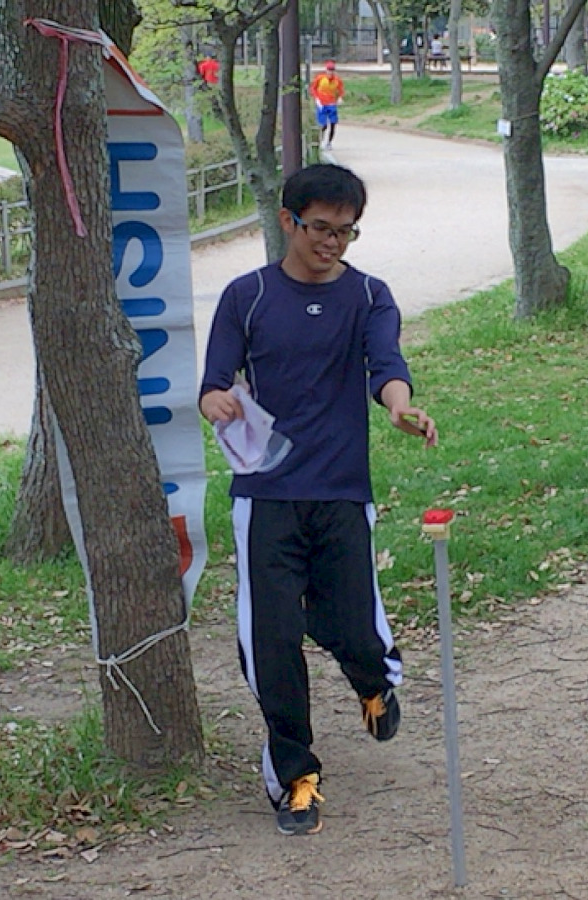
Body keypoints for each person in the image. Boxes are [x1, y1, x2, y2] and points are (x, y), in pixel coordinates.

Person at [199, 163, 438, 837]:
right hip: (266, 495)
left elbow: (386, 365)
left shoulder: (368, 296)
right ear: (288, 221)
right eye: (321, 229)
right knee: (271, 638)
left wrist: (399, 407)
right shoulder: (246, 296)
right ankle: (296, 776)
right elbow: (215, 381)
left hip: (341, 490)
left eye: (346, 232)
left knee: (354, 626)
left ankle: (372, 681)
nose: (332, 243)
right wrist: (214, 401)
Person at [309, 60, 345, 150]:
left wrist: (340, 98)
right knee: (323, 125)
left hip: (331, 103)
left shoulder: (337, 80)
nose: (330, 72)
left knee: (333, 123)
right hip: (321, 104)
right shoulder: (320, 78)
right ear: (326, 70)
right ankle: (319, 141)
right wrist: (316, 98)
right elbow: (313, 88)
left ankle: (329, 143)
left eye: (332, 70)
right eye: (329, 70)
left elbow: (341, 90)